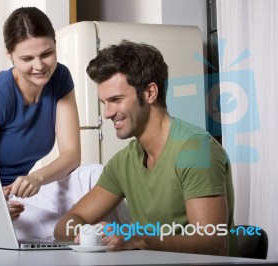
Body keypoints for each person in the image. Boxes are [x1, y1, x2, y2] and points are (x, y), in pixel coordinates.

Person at [54, 40, 238, 256]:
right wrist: (85, 231)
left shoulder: (196, 149)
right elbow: (64, 225)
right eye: (104, 103)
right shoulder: (123, 162)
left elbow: (214, 244)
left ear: (150, 92)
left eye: (116, 99)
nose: (107, 113)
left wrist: (138, 239)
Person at [0, 7, 81, 219]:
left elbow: (72, 155)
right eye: (27, 58)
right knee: (45, 227)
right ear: (10, 55)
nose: (39, 66)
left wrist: (37, 178)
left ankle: (126, 235)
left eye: (46, 54)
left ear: (55, 44)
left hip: (17, 194)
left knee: (91, 175)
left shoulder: (60, 77)